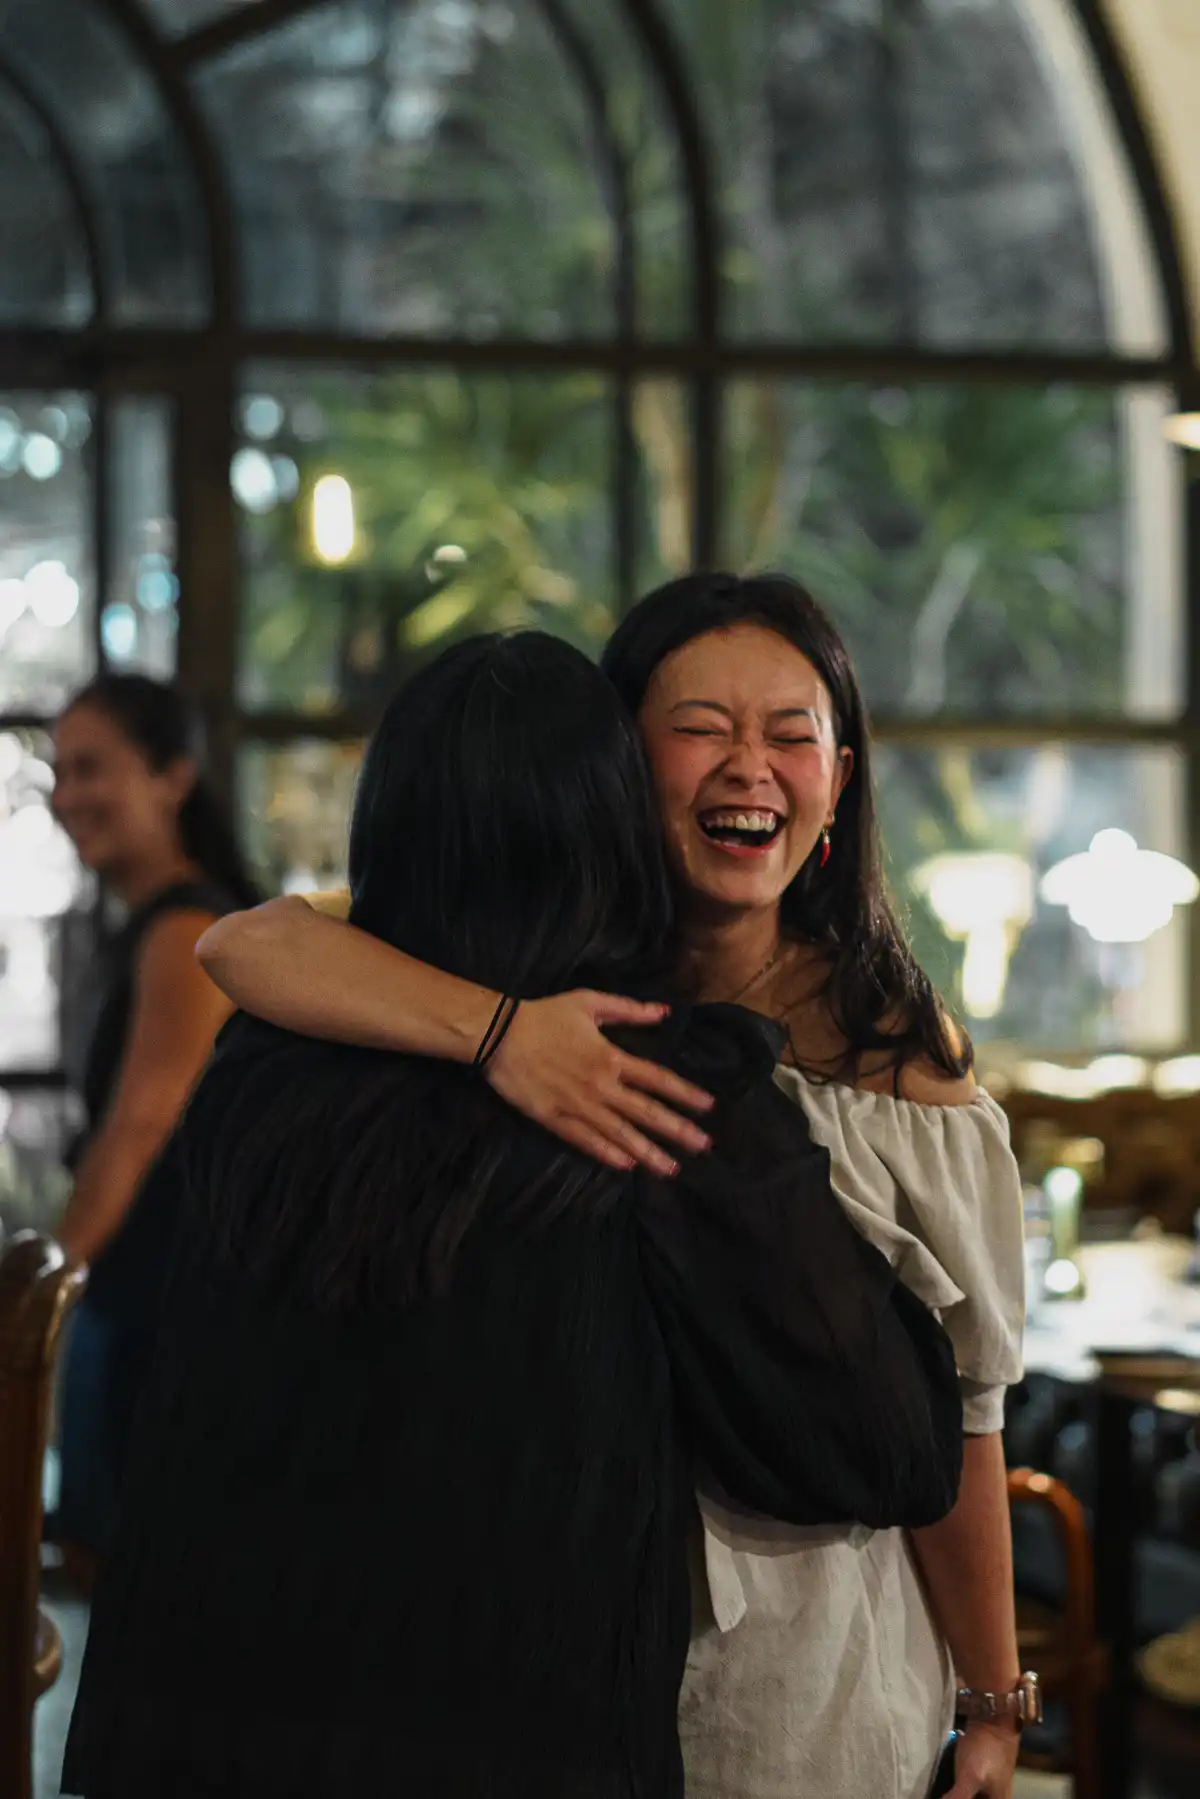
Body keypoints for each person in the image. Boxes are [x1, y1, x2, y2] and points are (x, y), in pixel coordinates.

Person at [62, 632, 962, 1799]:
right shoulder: (651, 1081)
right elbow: (886, 1445)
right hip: (514, 1740)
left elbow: (255, 940)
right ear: (613, 827)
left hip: (200, 1734)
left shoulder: (265, 1058)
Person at [48, 673, 259, 1563]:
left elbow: (139, 1125)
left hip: (161, 1311)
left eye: (91, 767)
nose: (66, 796)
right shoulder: (152, 925)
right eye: (58, 772)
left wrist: (39, 1292)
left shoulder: (186, 929)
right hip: (145, 1302)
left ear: (174, 775)